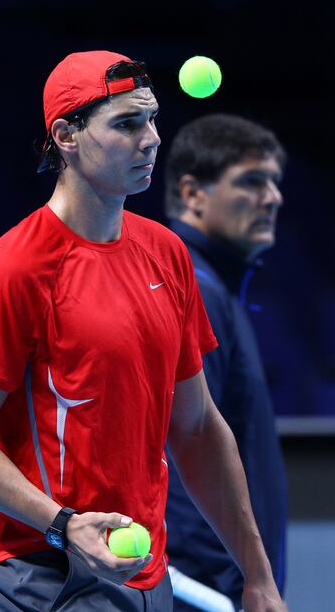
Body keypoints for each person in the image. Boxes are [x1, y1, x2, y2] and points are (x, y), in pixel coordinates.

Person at [0, 51, 286, 612]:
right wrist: (64, 525)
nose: (150, 139)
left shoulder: (166, 255)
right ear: (66, 135)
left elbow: (195, 427)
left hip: (146, 581)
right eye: (125, 123)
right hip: (41, 578)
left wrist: (258, 576)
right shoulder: (13, 270)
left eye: (151, 120)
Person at [164, 113, 288, 611]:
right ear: (193, 193)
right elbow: (185, 446)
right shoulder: (194, 287)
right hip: (206, 593)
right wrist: (226, 593)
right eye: (252, 182)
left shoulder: (213, 289)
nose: (272, 198)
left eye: (274, 182)